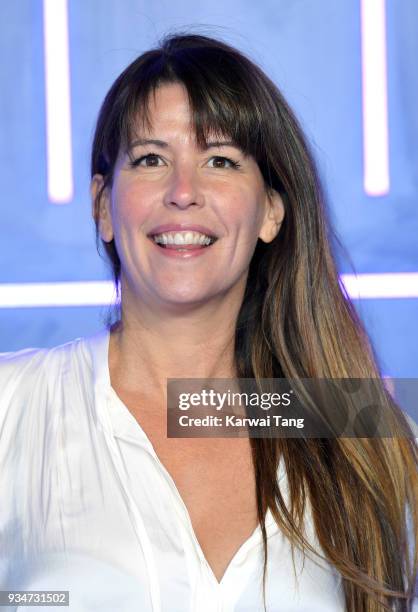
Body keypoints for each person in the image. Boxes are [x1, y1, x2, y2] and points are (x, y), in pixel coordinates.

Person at [0, 33, 416, 612]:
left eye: (220, 160)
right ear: (103, 206)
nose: (183, 193)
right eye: (151, 159)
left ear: (272, 209)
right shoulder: (12, 405)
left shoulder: (362, 429)